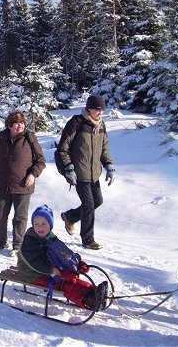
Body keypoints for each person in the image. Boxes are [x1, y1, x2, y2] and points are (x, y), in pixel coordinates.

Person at [16, 205, 109, 311]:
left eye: (43, 224)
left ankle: (94, 292)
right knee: (63, 284)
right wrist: (52, 269)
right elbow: (34, 261)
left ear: (50, 225)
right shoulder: (31, 239)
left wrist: (77, 260)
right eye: (36, 224)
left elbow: (62, 251)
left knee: (72, 278)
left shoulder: (49, 236)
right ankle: (89, 300)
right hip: (32, 273)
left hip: (47, 269)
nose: (40, 227)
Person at [56, 94, 115, 250]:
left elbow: (104, 149)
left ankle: (70, 217)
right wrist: (69, 167)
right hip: (79, 172)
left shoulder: (101, 125)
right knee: (88, 204)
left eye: (102, 109)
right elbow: (63, 148)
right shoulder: (77, 123)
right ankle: (88, 239)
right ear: (89, 108)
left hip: (94, 172)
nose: (100, 113)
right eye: (97, 109)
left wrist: (109, 165)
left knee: (98, 201)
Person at [0, 111, 46, 251]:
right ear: (9, 126)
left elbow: (40, 161)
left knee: (20, 218)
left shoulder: (30, 138)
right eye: (16, 123)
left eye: (22, 123)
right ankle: (0, 243)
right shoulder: (0, 138)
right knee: (0, 216)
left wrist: (33, 175)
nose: (20, 126)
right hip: (2, 185)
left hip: (23, 185)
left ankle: (18, 246)